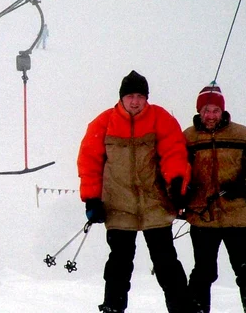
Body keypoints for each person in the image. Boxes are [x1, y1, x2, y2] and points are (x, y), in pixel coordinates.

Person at [77, 70, 193, 313]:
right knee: (119, 263)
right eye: (130, 96)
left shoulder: (160, 119)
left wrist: (177, 187)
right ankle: (113, 308)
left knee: (165, 262)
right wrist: (92, 199)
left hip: (155, 205)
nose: (135, 101)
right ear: (121, 98)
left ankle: (181, 308)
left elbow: (174, 154)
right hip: (118, 206)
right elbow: (90, 162)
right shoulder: (103, 123)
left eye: (140, 96)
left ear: (146, 98)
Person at [183, 82, 246, 313]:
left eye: (215, 110)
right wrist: (184, 194)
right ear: (198, 111)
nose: (210, 116)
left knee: (245, 270)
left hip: (238, 217)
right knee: (203, 271)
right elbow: (175, 169)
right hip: (203, 217)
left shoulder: (242, 135)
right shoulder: (187, 138)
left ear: (222, 111)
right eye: (206, 111)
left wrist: (244, 187)